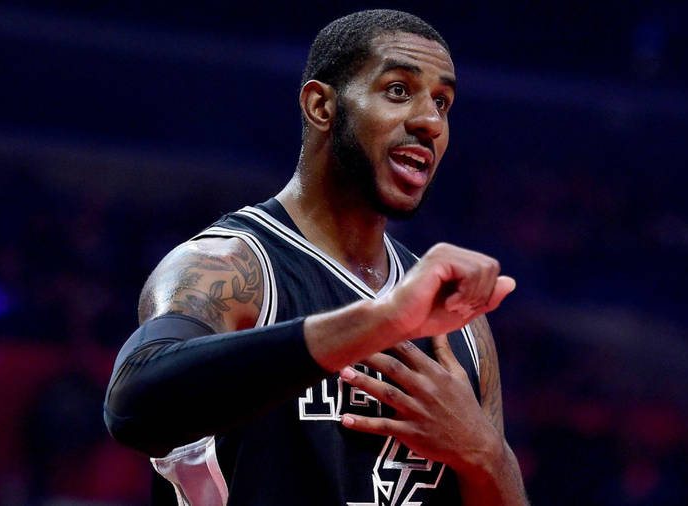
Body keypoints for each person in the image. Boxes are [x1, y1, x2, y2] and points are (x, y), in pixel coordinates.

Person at [104, 9, 528, 506]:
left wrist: (486, 453)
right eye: (398, 90)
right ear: (321, 106)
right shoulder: (231, 266)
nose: (430, 122)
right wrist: (382, 320)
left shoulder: (464, 327)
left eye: (442, 102)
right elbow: (133, 408)